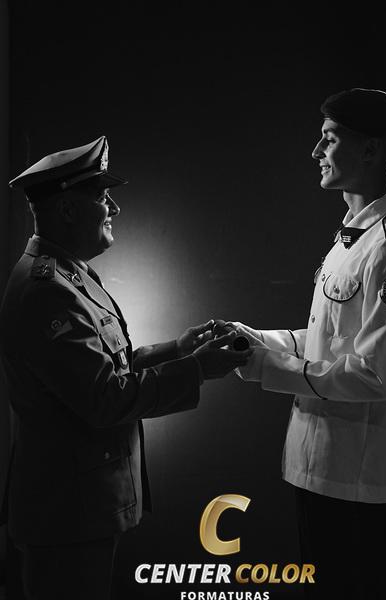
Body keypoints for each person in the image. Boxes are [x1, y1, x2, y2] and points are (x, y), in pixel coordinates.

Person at [0, 135, 251, 600]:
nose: (113, 207)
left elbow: (104, 369)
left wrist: (179, 349)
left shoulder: (68, 273)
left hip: (79, 509)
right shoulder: (47, 291)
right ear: (68, 210)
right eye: (101, 196)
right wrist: (196, 369)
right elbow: (104, 399)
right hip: (66, 518)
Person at [228, 89, 386, 599]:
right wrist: (253, 340)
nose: (316, 151)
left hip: (353, 481)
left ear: (371, 150)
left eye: (330, 139)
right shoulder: (355, 236)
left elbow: (374, 375)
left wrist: (265, 367)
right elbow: (328, 340)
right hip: (318, 468)